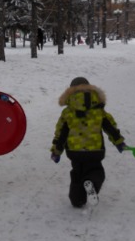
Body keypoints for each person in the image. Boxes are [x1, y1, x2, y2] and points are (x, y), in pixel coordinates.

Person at [50, 77, 126, 208]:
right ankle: (91, 182)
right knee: (95, 170)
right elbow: (110, 128)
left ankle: (77, 200)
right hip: (95, 150)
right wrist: (119, 142)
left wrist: (56, 151)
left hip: (74, 152)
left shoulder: (67, 112)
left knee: (77, 173)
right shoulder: (99, 110)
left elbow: (61, 133)